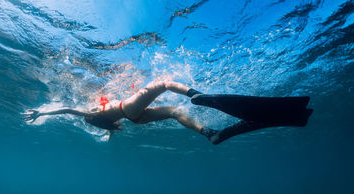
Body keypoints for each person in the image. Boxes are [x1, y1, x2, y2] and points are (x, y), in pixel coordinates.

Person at [23, 81, 312, 145]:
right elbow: (65, 108)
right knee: (162, 82)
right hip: (129, 109)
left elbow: (66, 111)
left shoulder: (97, 118)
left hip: (131, 117)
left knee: (174, 112)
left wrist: (41, 114)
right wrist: (42, 111)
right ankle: (196, 95)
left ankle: (209, 133)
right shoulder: (88, 109)